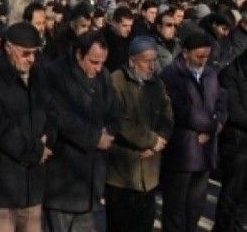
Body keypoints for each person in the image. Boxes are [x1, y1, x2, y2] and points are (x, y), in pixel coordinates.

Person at [0, 23, 55, 232]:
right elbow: (0, 129)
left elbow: (53, 115)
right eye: (26, 53)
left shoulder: (40, 78)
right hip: (0, 188)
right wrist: (36, 149)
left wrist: (48, 140)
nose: (31, 59)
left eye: (35, 53)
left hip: (32, 186)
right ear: (8, 48)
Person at [43, 31, 118, 232]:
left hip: (91, 176)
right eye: (94, 62)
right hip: (64, 175)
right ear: (79, 54)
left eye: (102, 62)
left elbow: (114, 111)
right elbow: (60, 116)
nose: (99, 68)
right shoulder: (55, 74)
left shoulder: (104, 76)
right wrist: (94, 138)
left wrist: (109, 133)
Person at [160, 33, 227, 232]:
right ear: (186, 53)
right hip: (182, 152)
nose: (203, 60)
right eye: (199, 56)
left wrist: (219, 122)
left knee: (195, 208)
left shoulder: (211, 74)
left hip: (204, 153)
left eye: (206, 56)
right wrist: (213, 127)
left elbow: (222, 101)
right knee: (175, 208)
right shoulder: (171, 75)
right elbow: (185, 113)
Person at [105, 36, 173, 232]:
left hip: (150, 175)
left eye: (154, 60)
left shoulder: (157, 84)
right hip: (122, 174)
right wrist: (151, 141)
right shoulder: (116, 81)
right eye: (146, 61)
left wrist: (160, 142)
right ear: (132, 61)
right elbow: (121, 122)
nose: (151, 66)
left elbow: (168, 117)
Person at [213, 45, 247, 231]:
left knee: (243, 199)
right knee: (231, 194)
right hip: (236, 143)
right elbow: (234, 112)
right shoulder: (229, 73)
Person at [101, 7, 135, 72]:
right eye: (124, 25)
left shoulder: (130, 37)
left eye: (130, 25)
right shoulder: (103, 39)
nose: (129, 29)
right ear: (114, 23)